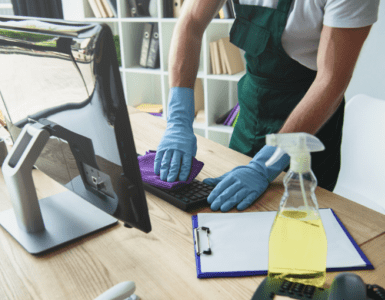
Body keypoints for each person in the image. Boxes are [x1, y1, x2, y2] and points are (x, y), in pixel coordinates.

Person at [153, 0, 380, 212]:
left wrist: (265, 165)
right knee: (225, 216)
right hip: (252, 112)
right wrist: (178, 121)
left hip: (309, 123)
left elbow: (331, 80)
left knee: (295, 227)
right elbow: (190, 22)